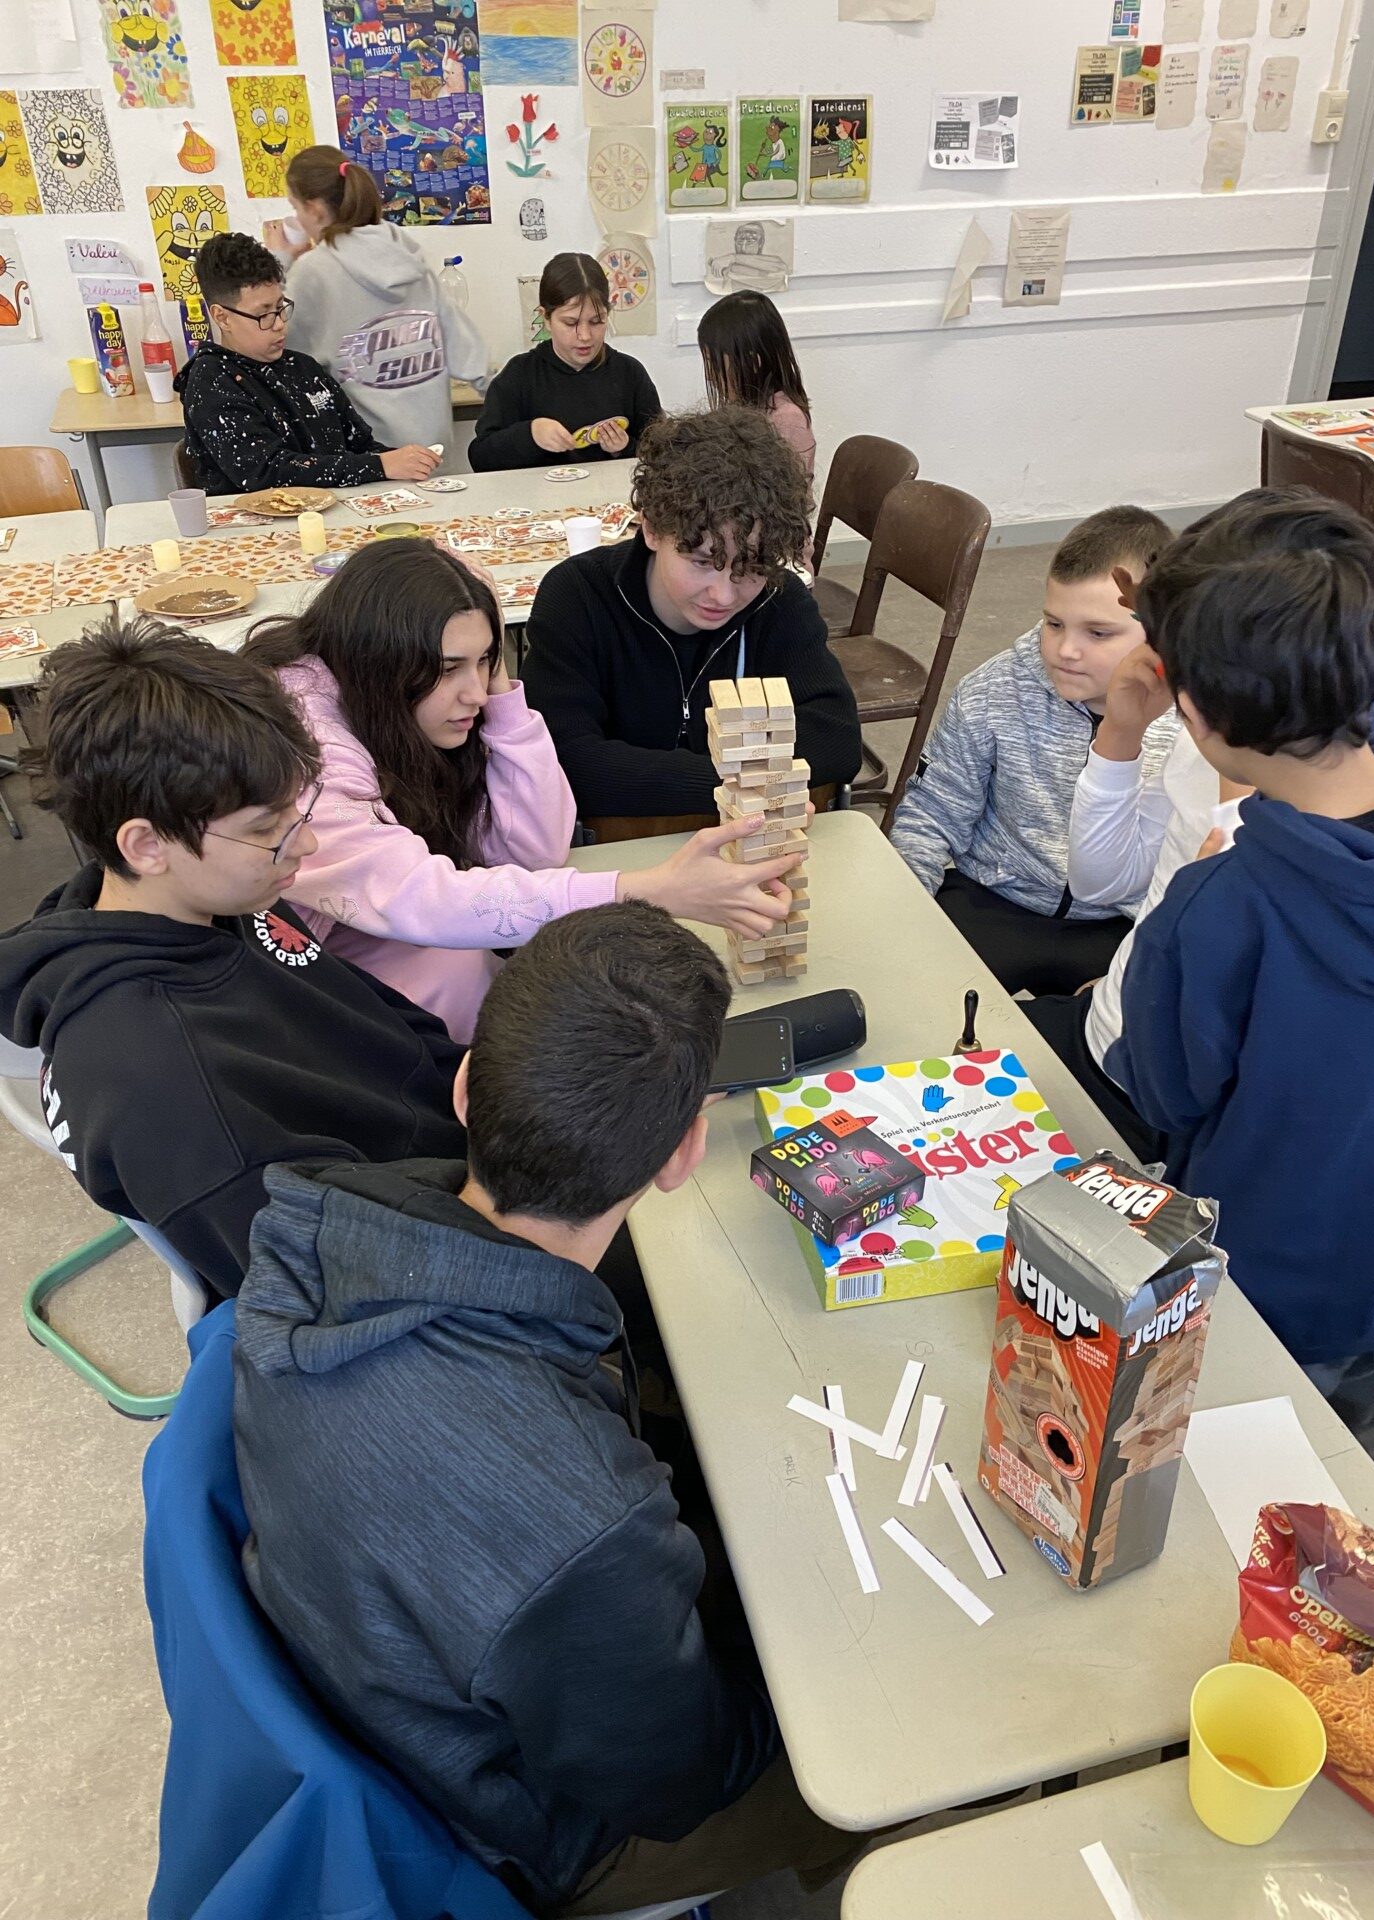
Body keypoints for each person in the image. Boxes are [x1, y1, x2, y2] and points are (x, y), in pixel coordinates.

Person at [232, 902, 862, 1915]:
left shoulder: (310, 1233)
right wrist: (802, 1621)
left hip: (397, 1655)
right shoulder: (585, 1526)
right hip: (542, 1828)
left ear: (467, 1086)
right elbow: (681, 1782)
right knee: (893, 1742)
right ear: (683, 1155)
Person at [1106, 493, 1374, 1494]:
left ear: (1198, 720)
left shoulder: (1218, 908)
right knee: (1368, 1490)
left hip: (1261, 1284)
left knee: (1238, 1492)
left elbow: (1163, 1093)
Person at [0, 617, 467, 1298]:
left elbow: (387, 1026)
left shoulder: (219, 896)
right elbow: (347, 1292)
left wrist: (497, 1084)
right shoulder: (170, 1093)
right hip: (432, 1257)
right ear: (145, 845)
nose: (304, 845)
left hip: (457, 1152)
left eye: (294, 812)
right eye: (266, 828)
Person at [243, 539, 805, 1041]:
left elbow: (537, 847)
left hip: (369, 935)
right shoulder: (305, 743)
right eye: (448, 668)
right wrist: (650, 889)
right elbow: (417, 897)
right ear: (380, 660)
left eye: (485, 660)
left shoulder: (401, 702)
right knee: (457, 970)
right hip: (289, 984)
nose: (474, 694)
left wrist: (504, 694)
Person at [889, 505, 1179, 995]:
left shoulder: (1197, 721)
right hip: (996, 900)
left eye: (1098, 632)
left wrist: (1155, 953)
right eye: (1054, 623)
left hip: (1124, 923)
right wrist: (903, 915)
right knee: (915, 1003)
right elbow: (931, 815)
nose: (1065, 650)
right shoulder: (990, 690)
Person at [523, 406, 861, 819]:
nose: (723, 595)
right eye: (702, 562)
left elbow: (837, 741)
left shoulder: (779, 599)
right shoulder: (577, 595)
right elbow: (566, 762)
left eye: (750, 568)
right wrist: (740, 785)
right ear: (651, 529)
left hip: (744, 839)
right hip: (621, 846)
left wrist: (666, 781)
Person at [176, 232, 440, 496]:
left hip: (338, 509)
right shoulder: (211, 380)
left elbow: (359, 445)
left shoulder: (303, 368)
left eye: (280, 307)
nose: (280, 324)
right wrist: (380, 465)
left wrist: (402, 461)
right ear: (222, 318)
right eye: (263, 315)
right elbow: (267, 472)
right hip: (258, 519)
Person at [280, 145, 489, 468]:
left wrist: (282, 261)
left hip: (369, 465)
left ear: (314, 209)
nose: (297, 219)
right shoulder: (407, 255)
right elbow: (467, 351)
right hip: (434, 455)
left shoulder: (313, 271)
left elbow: (276, 351)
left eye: (296, 208)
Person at [468, 251, 661, 473]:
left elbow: (663, 454)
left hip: (611, 493)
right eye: (570, 323)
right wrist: (530, 434)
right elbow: (480, 458)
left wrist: (625, 448)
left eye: (596, 321)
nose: (585, 336)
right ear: (546, 318)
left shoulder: (629, 374)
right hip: (538, 494)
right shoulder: (519, 375)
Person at [698, 289, 815, 490]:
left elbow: (781, 499)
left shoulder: (786, 420)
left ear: (751, 362)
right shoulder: (743, 411)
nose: (709, 376)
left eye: (713, 364)